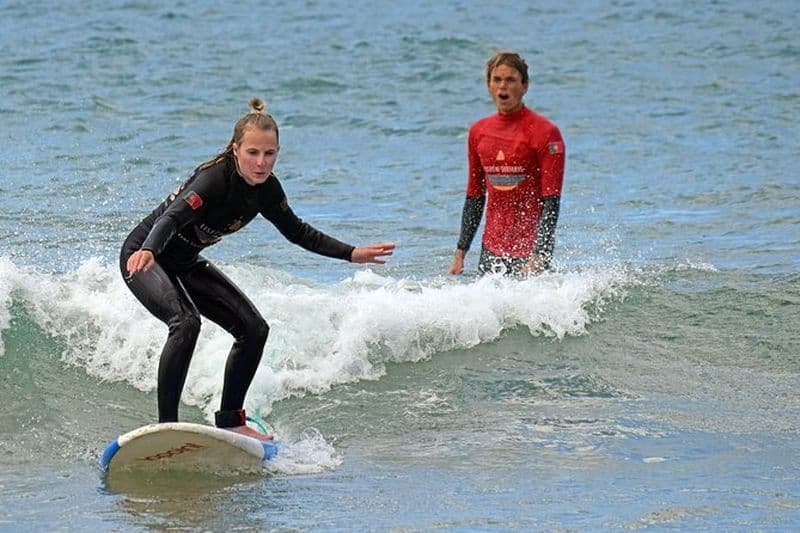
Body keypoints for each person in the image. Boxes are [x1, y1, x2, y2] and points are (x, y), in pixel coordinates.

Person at [120, 97, 395, 441]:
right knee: (186, 323)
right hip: (144, 256)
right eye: (253, 153)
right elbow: (172, 217)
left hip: (184, 262)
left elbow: (297, 231)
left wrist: (351, 253)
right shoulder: (213, 181)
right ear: (236, 149)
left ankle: (231, 420)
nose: (261, 163)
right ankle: (166, 428)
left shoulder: (266, 191)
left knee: (253, 329)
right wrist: (149, 248)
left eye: (269, 154)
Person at [448, 50, 565, 277]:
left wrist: (539, 254)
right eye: (497, 79)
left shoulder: (546, 132)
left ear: (525, 86)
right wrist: (461, 251)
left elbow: (552, 200)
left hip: (531, 250)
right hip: (492, 248)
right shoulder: (478, 132)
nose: (503, 86)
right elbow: (475, 195)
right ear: (489, 85)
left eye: (511, 79)